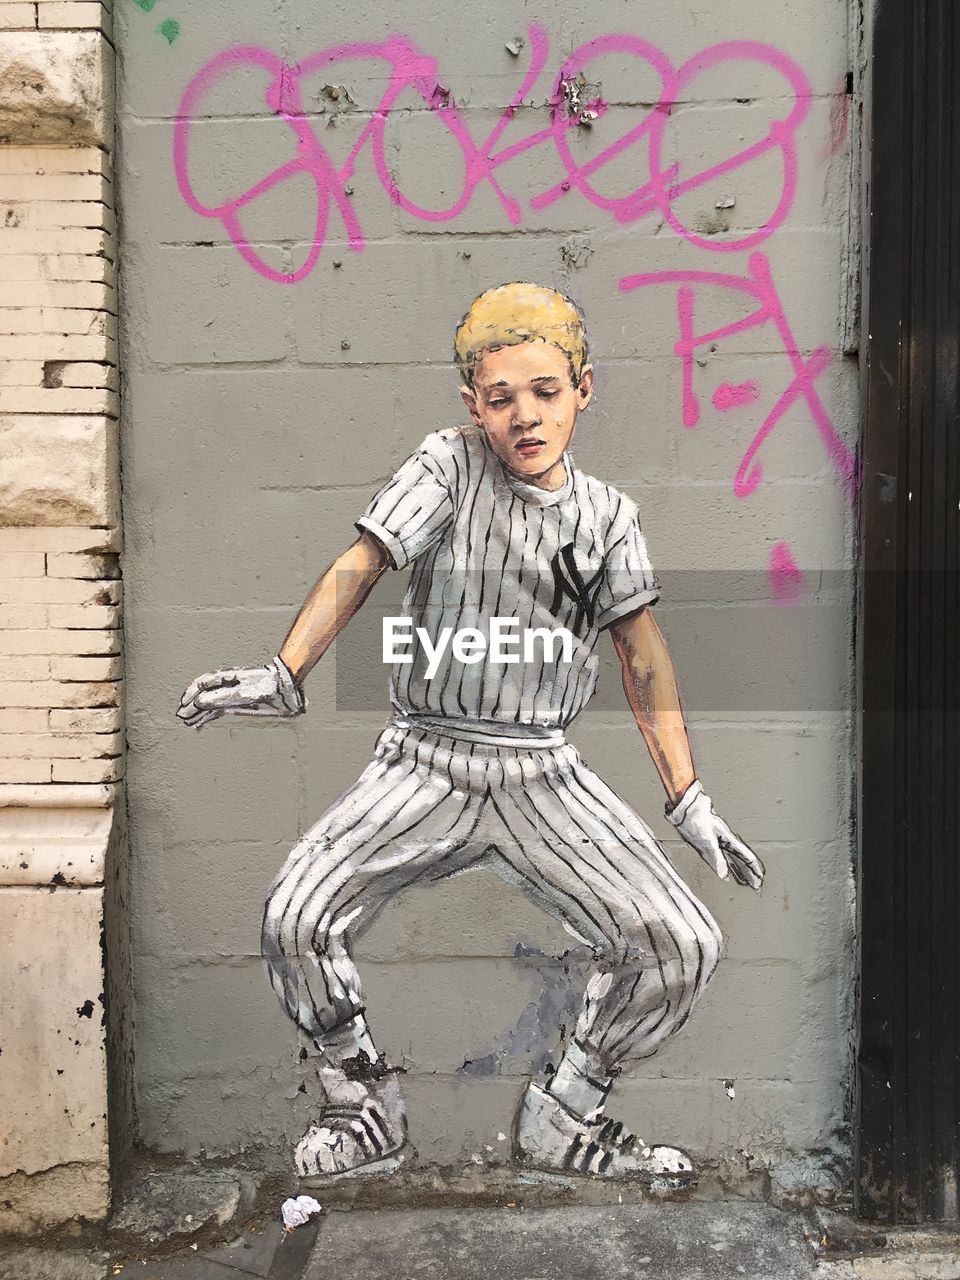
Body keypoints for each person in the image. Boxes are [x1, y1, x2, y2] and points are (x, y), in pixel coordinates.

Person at [178, 282, 764, 1184]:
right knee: (294, 916)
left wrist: (688, 800)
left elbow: (643, 658)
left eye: (545, 391)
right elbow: (363, 560)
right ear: (472, 404)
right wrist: (284, 673)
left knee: (684, 942)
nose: (525, 416)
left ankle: (565, 1114)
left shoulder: (609, 519)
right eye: (501, 398)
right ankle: (361, 1105)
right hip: (426, 758)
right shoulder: (448, 466)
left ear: (584, 389)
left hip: (542, 775)